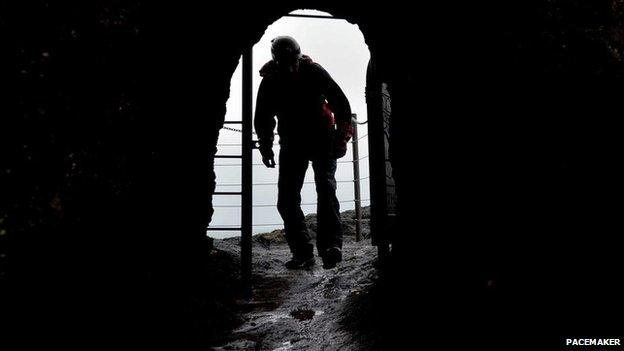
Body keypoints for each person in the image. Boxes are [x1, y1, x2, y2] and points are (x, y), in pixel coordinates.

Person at [254, 36, 353, 269]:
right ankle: (303, 252)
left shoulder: (314, 72)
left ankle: (330, 247)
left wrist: (341, 136)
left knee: (326, 190)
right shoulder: (270, 81)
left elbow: (340, 103)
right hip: (292, 142)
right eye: (285, 63)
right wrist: (266, 145)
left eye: (293, 62)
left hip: (321, 138)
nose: (291, 67)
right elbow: (263, 117)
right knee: (288, 199)